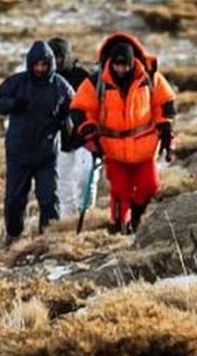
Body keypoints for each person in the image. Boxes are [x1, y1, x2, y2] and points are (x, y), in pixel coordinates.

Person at [71, 32, 177, 234]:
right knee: (121, 191)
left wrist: (166, 133)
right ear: (111, 63)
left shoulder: (150, 78)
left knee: (150, 186)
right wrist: (91, 136)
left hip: (145, 149)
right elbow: (81, 109)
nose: (121, 69)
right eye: (117, 65)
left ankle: (136, 216)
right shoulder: (96, 82)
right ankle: (120, 227)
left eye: (125, 65)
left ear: (132, 62)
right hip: (113, 150)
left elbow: (165, 105)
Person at [0, 40, 74, 242]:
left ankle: (48, 239)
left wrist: (67, 127)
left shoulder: (60, 86)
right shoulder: (17, 82)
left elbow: (75, 109)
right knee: (14, 200)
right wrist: (13, 104)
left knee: (48, 199)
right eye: (36, 64)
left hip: (46, 154)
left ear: (50, 64)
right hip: (18, 153)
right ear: (30, 64)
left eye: (44, 64)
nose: (40, 68)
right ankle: (13, 236)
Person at [48, 38, 96, 218]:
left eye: (60, 57)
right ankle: (68, 220)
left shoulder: (83, 76)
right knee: (63, 181)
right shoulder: (46, 78)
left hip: (86, 134)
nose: (57, 61)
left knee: (86, 177)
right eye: (54, 57)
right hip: (61, 137)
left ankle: (86, 212)